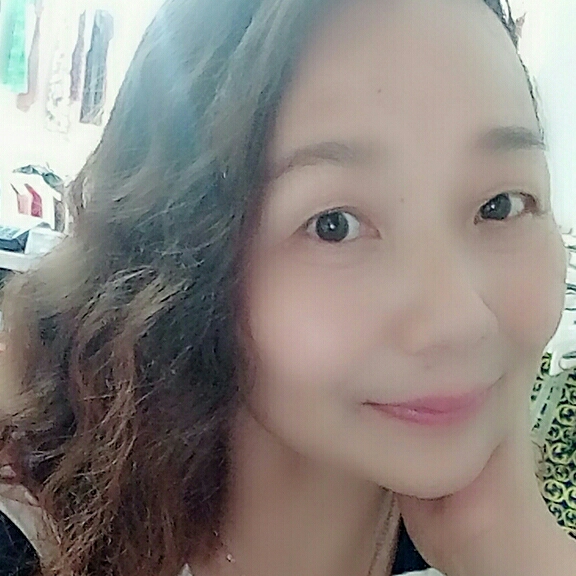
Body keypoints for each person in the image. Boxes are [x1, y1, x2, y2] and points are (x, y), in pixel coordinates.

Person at [0, 0, 575, 575]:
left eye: (501, 206)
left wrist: (515, 553)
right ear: (175, 259)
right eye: (335, 225)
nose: (462, 322)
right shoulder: (32, 540)